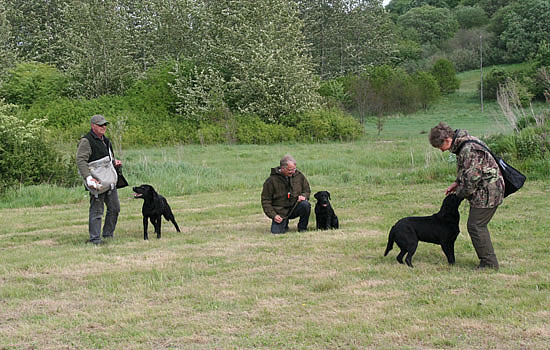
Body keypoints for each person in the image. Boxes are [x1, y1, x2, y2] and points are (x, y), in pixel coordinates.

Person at [429, 122, 504, 269]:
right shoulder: (463, 144)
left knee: (476, 225)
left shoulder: (468, 149)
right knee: (476, 225)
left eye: (440, 147)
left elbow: (471, 181)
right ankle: (487, 261)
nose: (441, 151)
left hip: (489, 191)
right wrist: (457, 183)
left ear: (447, 140)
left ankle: (489, 264)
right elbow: (468, 170)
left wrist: (457, 195)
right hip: (486, 188)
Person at [76, 114, 122, 245]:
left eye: (105, 124)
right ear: (93, 126)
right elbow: (81, 160)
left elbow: (108, 157)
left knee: (115, 208)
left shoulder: (106, 140)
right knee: (97, 211)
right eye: (101, 125)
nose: (104, 127)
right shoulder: (86, 141)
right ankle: (95, 239)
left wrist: (114, 162)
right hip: (97, 181)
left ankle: (108, 234)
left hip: (109, 180)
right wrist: (88, 178)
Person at [261, 155, 311, 234]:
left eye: (294, 169)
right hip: (280, 212)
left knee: (306, 205)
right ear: (283, 168)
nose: (293, 171)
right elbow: (266, 201)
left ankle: (302, 228)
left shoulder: (299, 176)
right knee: (276, 233)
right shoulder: (271, 181)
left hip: (295, 207)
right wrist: (274, 215)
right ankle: (284, 223)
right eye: (290, 170)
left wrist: (304, 196)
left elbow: (307, 190)